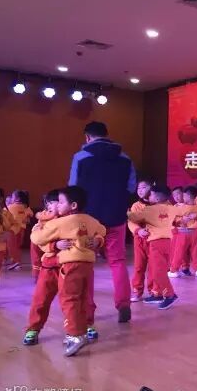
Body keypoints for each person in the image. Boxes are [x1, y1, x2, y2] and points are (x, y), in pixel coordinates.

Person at [68, 121, 136, 323]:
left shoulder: (80, 157)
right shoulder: (125, 158)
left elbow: (73, 188)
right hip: (116, 216)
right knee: (117, 262)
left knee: (86, 262)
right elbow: (131, 187)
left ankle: (88, 311)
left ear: (87, 137)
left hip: (88, 219)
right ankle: (123, 304)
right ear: (107, 135)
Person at [29, 186, 106, 357]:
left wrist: (98, 240)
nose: (54, 206)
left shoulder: (59, 223)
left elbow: (37, 237)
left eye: (59, 202)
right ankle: (34, 328)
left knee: (72, 299)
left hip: (69, 265)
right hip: (57, 265)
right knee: (42, 298)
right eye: (50, 204)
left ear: (72, 205)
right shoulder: (86, 220)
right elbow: (101, 229)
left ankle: (77, 333)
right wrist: (54, 245)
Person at [127, 184, 180, 310]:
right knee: (141, 266)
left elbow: (132, 217)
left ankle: (165, 294)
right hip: (147, 240)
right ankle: (140, 291)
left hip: (156, 242)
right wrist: (138, 230)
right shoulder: (139, 205)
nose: (141, 190)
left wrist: (125, 211)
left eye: (145, 188)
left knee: (156, 270)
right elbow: (132, 223)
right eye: (139, 188)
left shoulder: (153, 209)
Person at [6, 189, 33, 271]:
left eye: (12, 196)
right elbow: (31, 214)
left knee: (11, 246)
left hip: (12, 230)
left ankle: (16, 262)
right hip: (21, 230)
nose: (11, 198)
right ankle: (16, 261)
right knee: (17, 246)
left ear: (17, 198)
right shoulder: (25, 207)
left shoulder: (10, 207)